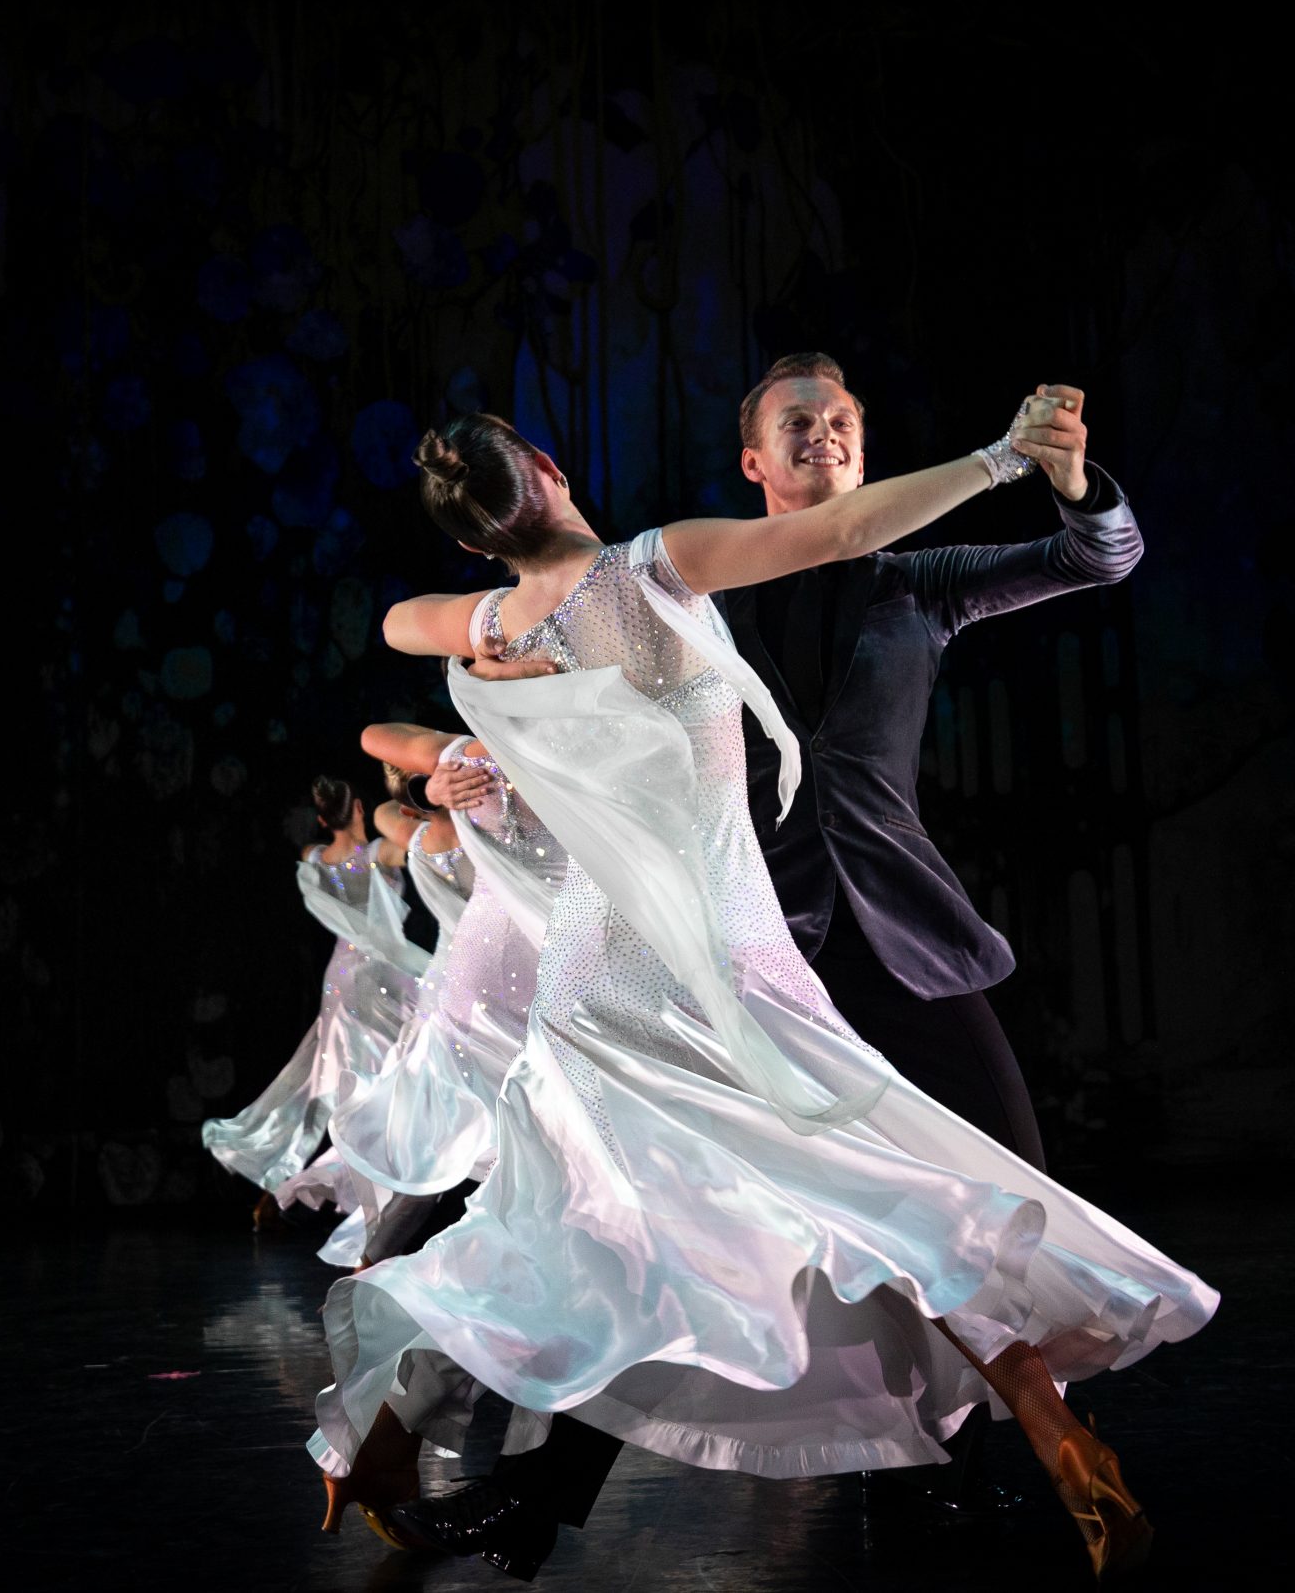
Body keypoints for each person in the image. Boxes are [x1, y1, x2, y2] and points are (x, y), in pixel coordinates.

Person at [310, 407, 1216, 1582]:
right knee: (873, 1188)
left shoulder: (485, 620)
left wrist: (484, 665)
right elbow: (842, 531)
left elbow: (397, 621)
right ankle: (1055, 1439)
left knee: (565, 1229)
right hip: (721, 952)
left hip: (592, 975)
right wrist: (997, 460)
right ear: (545, 470)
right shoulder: (654, 565)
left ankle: (383, 1448)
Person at [716, 354, 1139, 1506]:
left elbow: (1097, 556)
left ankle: (1040, 1426)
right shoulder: (694, 594)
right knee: (755, 1225)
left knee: (1012, 1184)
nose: (825, 435)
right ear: (754, 462)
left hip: (903, 933)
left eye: (843, 419)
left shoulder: (917, 581)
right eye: (798, 421)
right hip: (766, 954)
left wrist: (1070, 479)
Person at [318, 728, 566, 1265]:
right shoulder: (485, 819)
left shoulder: (418, 838)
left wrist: (423, 797)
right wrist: (431, 791)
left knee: (446, 1120)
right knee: (487, 1113)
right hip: (493, 977)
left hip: (454, 982)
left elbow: (388, 812)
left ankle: (387, 1252)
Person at [198, 773, 429, 1238]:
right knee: (383, 1084)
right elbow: (418, 845)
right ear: (361, 808)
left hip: (340, 979)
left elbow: (312, 860)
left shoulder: (314, 857)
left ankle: (286, 1188)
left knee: (328, 1088)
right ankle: (365, 1198)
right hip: (382, 977)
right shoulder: (380, 854)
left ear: (323, 818)